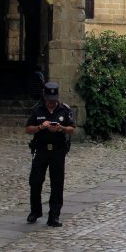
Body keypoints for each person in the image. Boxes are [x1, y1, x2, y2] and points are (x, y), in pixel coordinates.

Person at [25, 82, 76, 227]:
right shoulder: (37, 110)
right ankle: (35, 211)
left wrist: (60, 128)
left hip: (58, 150)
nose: (51, 102)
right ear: (44, 97)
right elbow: (28, 129)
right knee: (35, 181)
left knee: (57, 183)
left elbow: (72, 129)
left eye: (53, 100)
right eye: (49, 100)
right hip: (40, 149)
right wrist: (41, 127)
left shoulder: (64, 110)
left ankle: (54, 215)